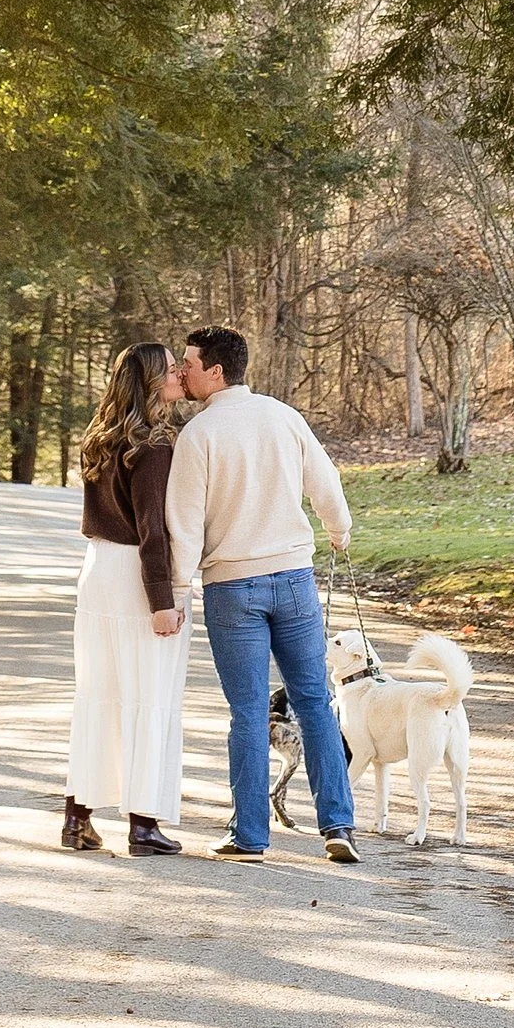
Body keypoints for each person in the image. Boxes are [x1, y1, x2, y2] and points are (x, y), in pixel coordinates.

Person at [165, 323, 360, 865]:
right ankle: (338, 824)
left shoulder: (199, 436)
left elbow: (182, 523)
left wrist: (178, 590)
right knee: (315, 703)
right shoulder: (284, 416)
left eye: (189, 364)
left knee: (248, 711)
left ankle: (250, 835)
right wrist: (338, 532)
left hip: (231, 586)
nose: (183, 372)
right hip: (294, 578)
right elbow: (326, 482)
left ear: (215, 371)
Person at [63, 339, 192, 857]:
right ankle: (143, 825)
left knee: (99, 695)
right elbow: (152, 531)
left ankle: (78, 818)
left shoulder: (101, 436)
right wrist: (163, 598)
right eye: (170, 371)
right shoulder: (155, 444)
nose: (181, 374)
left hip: (97, 569)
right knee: (148, 694)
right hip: (137, 573)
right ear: (151, 383)